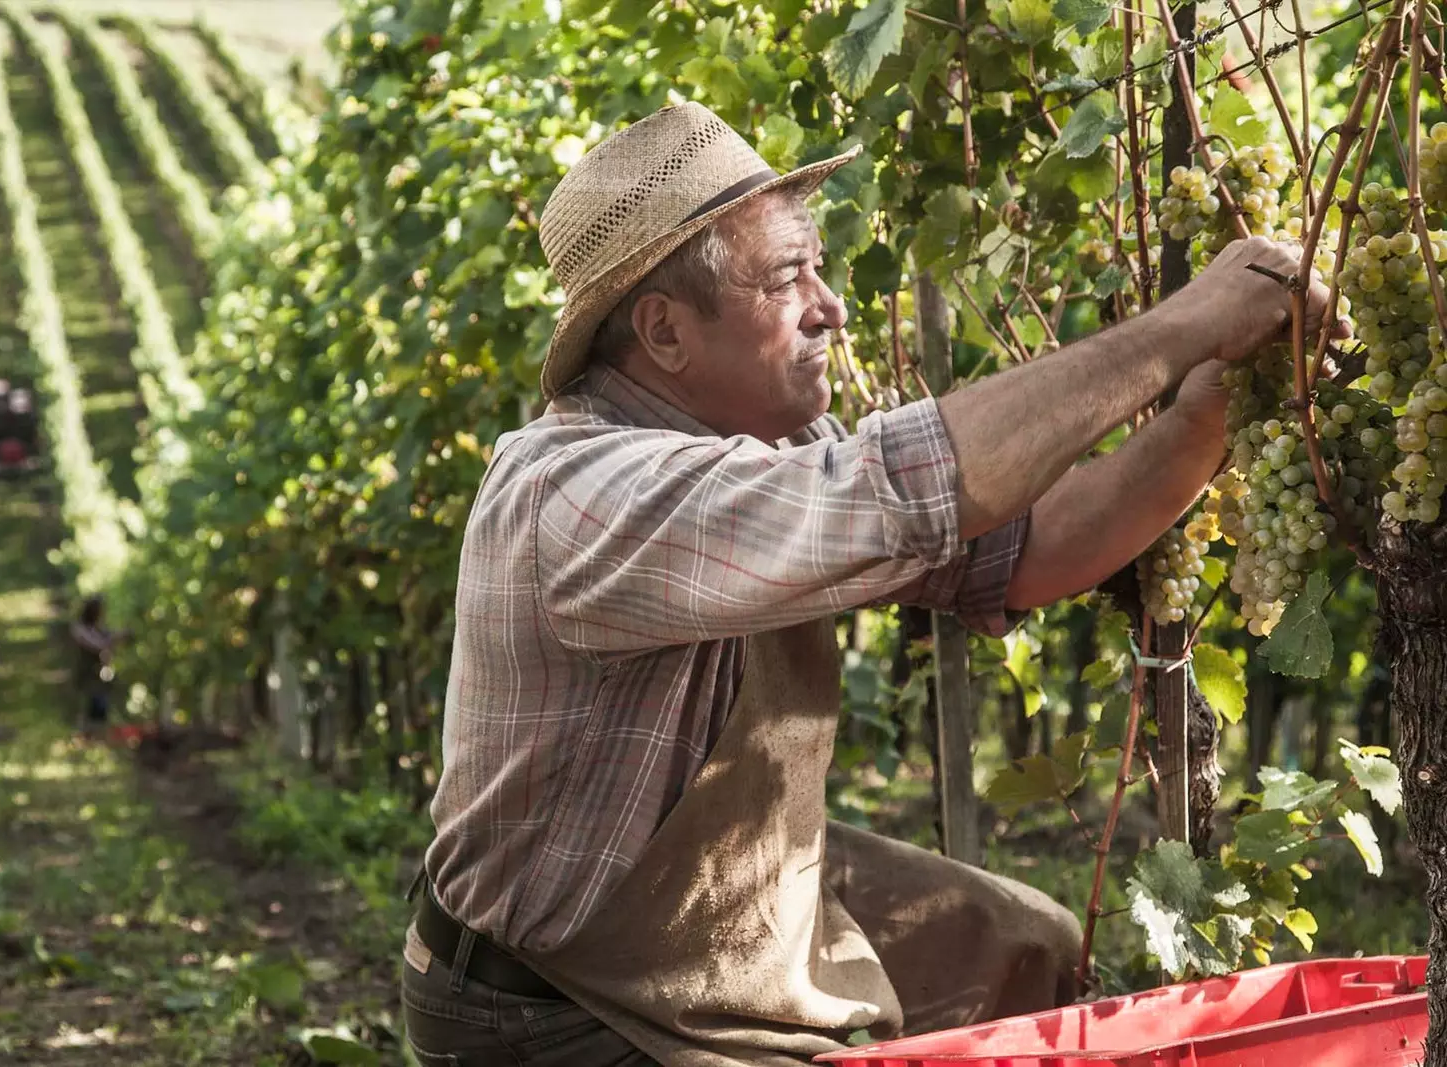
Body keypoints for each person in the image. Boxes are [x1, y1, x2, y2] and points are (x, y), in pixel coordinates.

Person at [402, 103, 1340, 1065]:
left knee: (1029, 948)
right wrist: (1183, 325)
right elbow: (898, 487)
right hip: (545, 1000)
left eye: (819, 265)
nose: (830, 304)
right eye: (786, 280)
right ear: (664, 332)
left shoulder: (764, 441)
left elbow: (1025, 551)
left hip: (696, 910)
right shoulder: (579, 492)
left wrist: (1206, 410)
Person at [68, 595, 121, 742]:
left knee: (100, 706)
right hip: (86, 674)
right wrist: (111, 640)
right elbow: (96, 644)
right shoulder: (79, 628)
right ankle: (86, 736)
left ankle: (96, 736)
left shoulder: (96, 628)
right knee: (89, 704)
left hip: (97, 675)